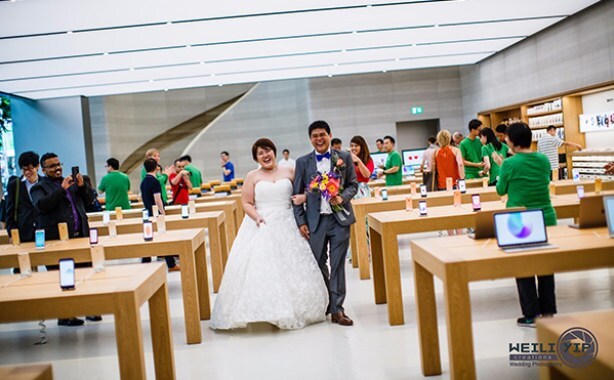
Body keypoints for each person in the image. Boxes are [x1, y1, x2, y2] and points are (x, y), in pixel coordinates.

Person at [210, 138, 327, 330]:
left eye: (268, 151)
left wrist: (304, 198)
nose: (265, 155)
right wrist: (256, 217)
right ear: (256, 158)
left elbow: (308, 190)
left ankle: (297, 307)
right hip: (262, 222)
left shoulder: (290, 170)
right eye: (260, 153)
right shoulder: (252, 176)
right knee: (263, 266)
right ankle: (266, 309)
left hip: (289, 221)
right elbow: (246, 202)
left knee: (293, 265)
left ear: (274, 151)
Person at [293, 120, 358, 326]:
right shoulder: (303, 162)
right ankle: (328, 302)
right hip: (315, 222)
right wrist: (301, 222)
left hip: (339, 219)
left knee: (338, 265)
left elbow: (353, 185)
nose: (319, 139)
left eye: (323, 134)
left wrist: (342, 197)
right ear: (310, 139)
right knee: (318, 264)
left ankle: (338, 310)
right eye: (315, 136)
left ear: (330, 135)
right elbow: (296, 195)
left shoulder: (344, 158)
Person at [497, 122, 557, 328]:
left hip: (520, 219)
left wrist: (500, 167)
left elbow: (500, 190)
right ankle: (548, 311)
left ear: (512, 141)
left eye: (506, 138)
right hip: (546, 216)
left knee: (523, 267)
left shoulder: (509, 163)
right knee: (546, 266)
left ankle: (531, 314)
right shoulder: (542, 159)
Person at [30, 153, 100, 326]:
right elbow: (42, 205)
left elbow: (90, 201)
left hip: (80, 236)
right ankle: (65, 315)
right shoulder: (38, 188)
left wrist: (83, 187)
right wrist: (61, 189)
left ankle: (90, 310)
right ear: (44, 170)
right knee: (64, 277)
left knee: (85, 273)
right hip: (57, 241)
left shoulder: (72, 183)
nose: (57, 168)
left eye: (58, 164)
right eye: (52, 166)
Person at [140, 158, 180, 272]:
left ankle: (145, 261)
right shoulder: (155, 181)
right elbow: (158, 199)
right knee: (163, 237)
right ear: (156, 167)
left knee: (148, 238)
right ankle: (171, 265)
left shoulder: (143, 182)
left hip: (147, 212)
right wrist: (162, 211)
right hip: (156, 213)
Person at [6, 151, 40, 243]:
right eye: (24, 169)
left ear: (37, 166)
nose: (27, 172)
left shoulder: (45, 183)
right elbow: (9, 212)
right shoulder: (15, 185)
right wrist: (11, 234)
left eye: (30, 168)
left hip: (43, 230)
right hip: (24, 232)